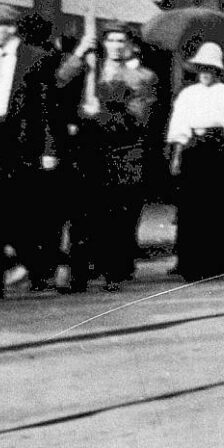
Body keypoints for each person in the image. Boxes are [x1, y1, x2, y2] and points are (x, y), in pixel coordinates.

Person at [0, 4, 60, 300]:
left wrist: (48, 148)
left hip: (22, 143)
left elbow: (47, 109)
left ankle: (40, 272)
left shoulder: (37, 59)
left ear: (12, 27)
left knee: (21, 214)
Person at [54, 24, 158, 293]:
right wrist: (79, 52)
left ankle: (113, 272)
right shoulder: (91, 68)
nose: (115, 45)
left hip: (121, 155)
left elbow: (137, 118)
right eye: (110, 39)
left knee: (114, 217)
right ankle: (78, 275)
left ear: (129, 44)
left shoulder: (141, 77)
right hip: (87, 152)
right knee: (81, 215)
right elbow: (60, 79)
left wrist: (98, 111)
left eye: (120, 40)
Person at [166, 43, 224, 280]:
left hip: (217, 150)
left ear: (218, 71)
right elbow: (180, 126)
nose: (205, 72)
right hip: (193, 149)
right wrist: (177, 156)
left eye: (210, 68)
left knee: (215, 204)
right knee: (190, 206)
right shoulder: (187, 94)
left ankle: (216, 261)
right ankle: (188, 261)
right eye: (202, 67)